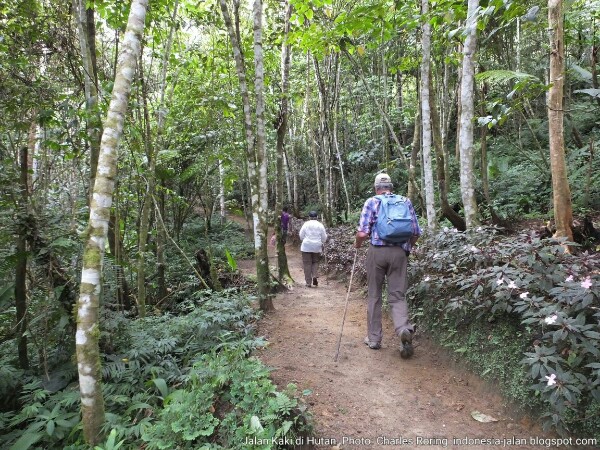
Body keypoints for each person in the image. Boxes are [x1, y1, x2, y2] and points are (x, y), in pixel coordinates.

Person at [354, 173, 421, 358]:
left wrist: (357, 245)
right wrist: (406, 249)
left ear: (376, 188)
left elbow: (362, 234)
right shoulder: (405, 202)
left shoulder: (372, 202)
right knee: (398, 296)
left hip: (377, 252)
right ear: (391, 186)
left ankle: (374, 339)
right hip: (399, 253)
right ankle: (403, 330)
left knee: (374, 295)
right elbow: (415, 232)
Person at [299, 211, 327, 288]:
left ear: (309, 217)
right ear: (317, 217)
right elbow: (324, 236)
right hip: (317, 246)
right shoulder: (320, 225)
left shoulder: (306, 224)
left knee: (307, 264)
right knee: (315, 262)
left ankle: (308, 282)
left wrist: (304, 239)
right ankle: (314, 275)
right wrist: (323, 242)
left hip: (306, 246)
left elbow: (301, 235)